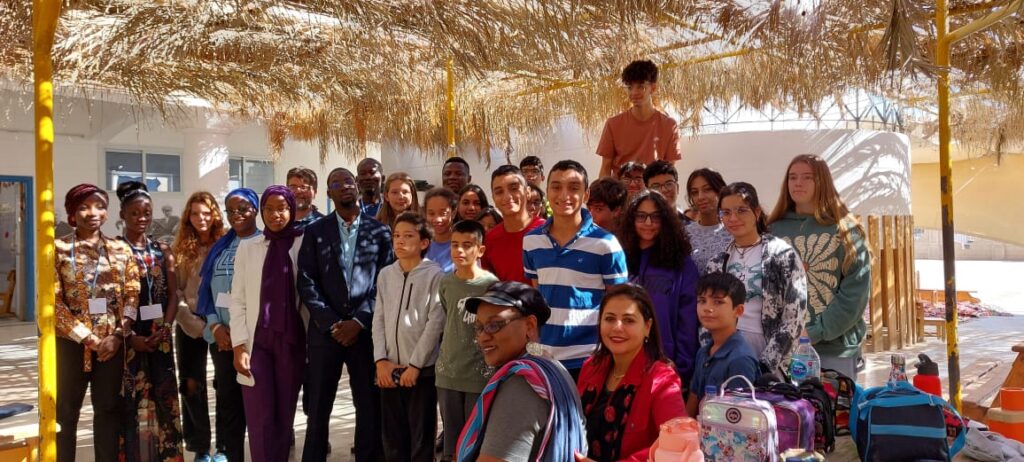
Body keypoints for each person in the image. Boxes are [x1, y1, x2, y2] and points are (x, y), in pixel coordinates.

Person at [298, 168, 394, 462]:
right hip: (326, 333)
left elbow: (385, 281)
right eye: (336, 183)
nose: (344, 186)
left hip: (364, 334)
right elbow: (306, 280)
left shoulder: (379, 232)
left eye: (348, 181)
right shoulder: (315, 232)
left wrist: (359, 321)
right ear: (329, 194)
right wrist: (332, 323)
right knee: (318, 407)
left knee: (368, 405)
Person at [456, 281, 587, 462]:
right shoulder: (554, 366)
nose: (483, 337)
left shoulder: (522, 385)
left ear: (530, 326)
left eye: (494, 325)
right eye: (479, 327)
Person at [55, 184, 139, 461]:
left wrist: (117, 335)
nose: (93, 213)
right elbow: (53, 304)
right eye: (84, 207)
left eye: (100, 206)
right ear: (71, 212)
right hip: (71, 346)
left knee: (107, 410)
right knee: (66, 413)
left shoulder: (120, 249)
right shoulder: (58, 250)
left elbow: (132, 295)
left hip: (111, 347)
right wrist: (87, 337)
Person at [768, 154, 871, 378]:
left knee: (833, 412)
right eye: (792, 177)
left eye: (807, 177)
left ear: (822, 182)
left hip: (835, 350)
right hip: (782, 349)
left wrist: (814, 332)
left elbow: (854, 296)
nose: (798, 183)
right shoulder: (772, 230)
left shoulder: (846, 231)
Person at [524, 160, 628, 376]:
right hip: (546, 359)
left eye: (573, 188)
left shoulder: (606, 244)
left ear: (586, 195)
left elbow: (619, 305)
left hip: (591, 360)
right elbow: (537, 298)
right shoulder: (531, 241)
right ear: (547, 191)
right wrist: (534, 349)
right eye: (556, 187)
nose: (564, 195)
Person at [229, 186, 306, 462]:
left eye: (282, 208)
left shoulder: (302, 242)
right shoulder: (248, 247)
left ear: (292, 210)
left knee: (284, 415)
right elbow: (237, 299)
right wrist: (239, 345)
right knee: (259, 414)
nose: (276, 214)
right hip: (256, 339)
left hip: (291, 340)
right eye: (269, 209)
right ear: (261, 212)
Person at [575, 284, 686, 462]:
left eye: (629, 320)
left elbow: (679, 445)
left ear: (647, 327)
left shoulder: (662, 379)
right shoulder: (591, 367)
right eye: (609, 319)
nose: (617, 327)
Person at [706, 182, 807, 375]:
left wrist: (766, 365)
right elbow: (706, 314)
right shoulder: (717, 263)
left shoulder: (782, 255)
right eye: (725, 213)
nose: (733, 218)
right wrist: (712, 354)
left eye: (741, 210)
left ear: (757, 211)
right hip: (726, 352)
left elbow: (794, 316)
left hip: (769, 355)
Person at [116, 181, 184, 462]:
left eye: (146, 212)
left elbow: (173, 293)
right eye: (134, 213)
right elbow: (112, 301)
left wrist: (165, 329)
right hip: (129, 338)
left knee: (164, 398)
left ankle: (167, 456)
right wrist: (130, 337)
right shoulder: (115, 251)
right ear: (122, 215)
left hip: (161, 337)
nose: (141, 218)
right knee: (133, 402)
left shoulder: (163, 249)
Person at [372, 212, 445, 462]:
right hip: (389, 369)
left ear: (424, 243)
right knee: (393, 439)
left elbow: (435, 324)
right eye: (396, 236)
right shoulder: (385, 275)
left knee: (421, 438)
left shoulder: (435, 275)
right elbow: (378, 319)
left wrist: (415, 365)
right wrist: (380, 360)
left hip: (420, 372)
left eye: (408, 236)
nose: (400, 241)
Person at [195, 188, 262, 462]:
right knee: (229, 406)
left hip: (253, 341)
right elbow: (208, 293)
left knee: (258, 408)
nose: (237, 215)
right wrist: (215, 327)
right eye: (231, 210)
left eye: (243, 209)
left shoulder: (265, 243)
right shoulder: (220, 246)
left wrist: (241, 336)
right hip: (222, 340)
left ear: (256, 210)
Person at [618, 191, 700, 389]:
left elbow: (688, 319)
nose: (648, 222)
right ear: (631, 219)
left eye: (655, 217)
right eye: (641, 216)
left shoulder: (681, 264)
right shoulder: (619, 258)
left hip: (666, 362)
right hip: (623, 359)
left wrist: (681, 366)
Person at [436, 220, 499, 462]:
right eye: (454, 245)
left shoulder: (490, 285)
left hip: (478, 373)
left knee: (475, 439)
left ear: (480, 250)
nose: (459, 251)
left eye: (467, 245)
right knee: (451, 442)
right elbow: (447, 316)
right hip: (448, 372)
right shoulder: (446, 283)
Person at [173, 191, 226, 461]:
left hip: (222, 325)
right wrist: (190, 321)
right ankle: (200, 446)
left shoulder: (227, 244)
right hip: (190, 324)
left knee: (225, 383)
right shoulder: (181, 248)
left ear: (215, 214)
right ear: (188, 216)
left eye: (206, 213)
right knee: (191, 384)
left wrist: (217, 322)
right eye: (195, 213)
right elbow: (177, 291)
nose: (201, 218)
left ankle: (225, 446)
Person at [685, 272, 761, 417]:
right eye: (702, 300)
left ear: (738, 311)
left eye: (718, 302)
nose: (707, 308)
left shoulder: (740, 359)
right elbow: (693, 400)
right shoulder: (703, 352)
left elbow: (738, 418)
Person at [596, 60, 680, 178]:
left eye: (641, 87)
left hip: (652, 193)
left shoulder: (669, 125)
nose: (634, 92)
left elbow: (669, 171)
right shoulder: (613, 124)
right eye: (630, 87)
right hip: (621, 193)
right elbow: (605, 168)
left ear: (653, 88)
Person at [481, 165, 545, 283]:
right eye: (499, 192)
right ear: (493, 198)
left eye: (514, 188)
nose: (507, 196)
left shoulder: (547, 231)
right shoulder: (489, 240)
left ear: (527, 192)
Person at [684, 168, 731, 275]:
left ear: (720, 191)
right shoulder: (684, 234)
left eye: (707, 189)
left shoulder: (734, 230)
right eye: (695, 192)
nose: (700, 197)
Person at [424, 187, 458, 273]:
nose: (437, 219)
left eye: (443, 213)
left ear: (453, 213)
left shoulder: (462, 245)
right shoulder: (421, 245)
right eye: (431, 213)